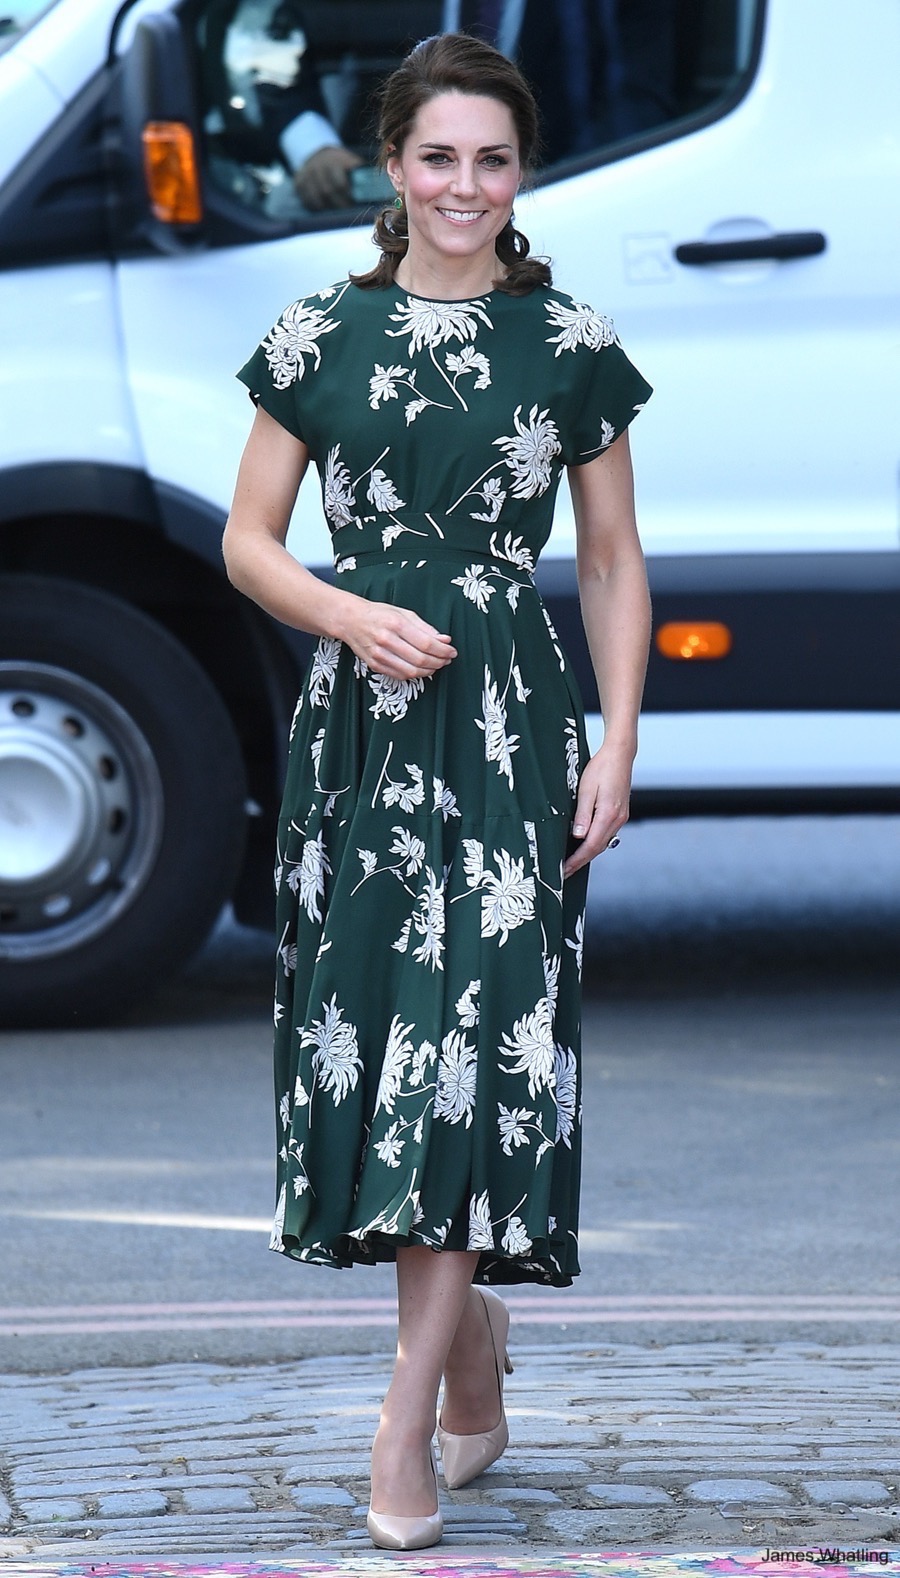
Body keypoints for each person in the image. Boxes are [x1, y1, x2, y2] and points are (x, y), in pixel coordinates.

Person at [223, 31, 652, 1551]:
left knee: (475, 1050)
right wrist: (345, 613)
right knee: (397, 1042)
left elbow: (607, 560)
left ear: (519, 174)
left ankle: (401, 1430)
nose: (466, 185)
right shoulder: (317, 331)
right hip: (362, 738)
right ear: (394, 167)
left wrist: (615, 742)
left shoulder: (571, 341)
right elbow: (250, 541)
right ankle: (471, 1361)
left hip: (514, 732)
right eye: (438, 156)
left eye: (494, 159)